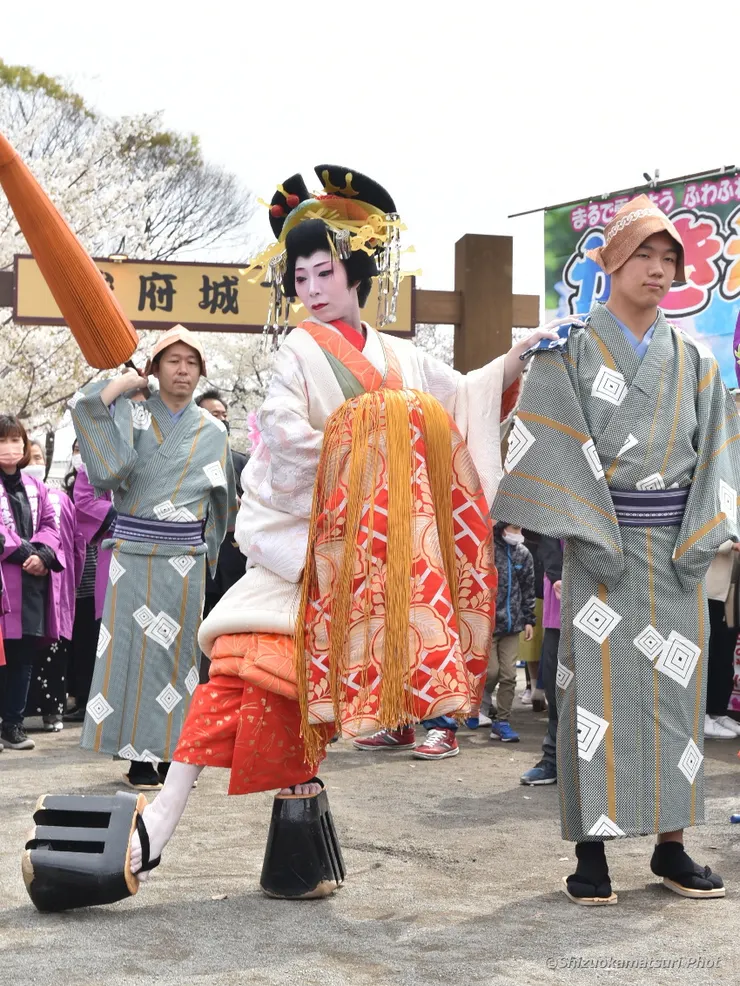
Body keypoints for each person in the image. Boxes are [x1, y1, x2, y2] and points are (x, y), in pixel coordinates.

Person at [125, 164, 560, 885]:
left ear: (355, 272)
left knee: (293, 698)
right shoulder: (299, 352)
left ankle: (295, 834)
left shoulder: (398, 356)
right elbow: (285, 441)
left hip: (377, 558)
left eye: (324, 271)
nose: (313, 288)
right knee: (246, 677)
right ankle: (162, 821)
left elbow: (465, 400)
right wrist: (371, 446)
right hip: (308, 548)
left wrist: (519, 354)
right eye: (300, 278)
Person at [493, 194, 740, 903]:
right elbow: (547, 446)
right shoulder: (567, 349)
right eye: (644, 256)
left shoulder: (692, 357)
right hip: (600, 546)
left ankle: (671, 846)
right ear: (609, 265)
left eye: (669, 259)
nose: (658, 270)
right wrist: (588, 530)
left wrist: (700, 538)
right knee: (591, 700)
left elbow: (719, 453)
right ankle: (591, 850)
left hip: (678, 551)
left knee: (674, 698)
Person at [69, 326, 236, 789]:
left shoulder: (213, 430)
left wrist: (211, 555)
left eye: (191, 363)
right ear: (156, 368)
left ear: (200, 371)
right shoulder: (134, 416)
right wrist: (123, 384)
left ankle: (172, 755)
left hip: (183, 557)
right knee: (128, 654)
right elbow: (105, 464)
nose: (182, 371)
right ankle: (138, 758)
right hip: (132, 554)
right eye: (172, 361)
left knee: (178, 660)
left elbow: (223, 503)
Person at [0, 416, 64, 751]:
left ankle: (13, 724)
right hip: (5, 580)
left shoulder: (35, 486)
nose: (9, 448)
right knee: (1, 655)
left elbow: (51, 524)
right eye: (2, 441)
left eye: (15, 440)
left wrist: (43, 555)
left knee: (24, 655)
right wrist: (26, 551)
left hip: (32, 583)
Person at [23, 440, 83, 731]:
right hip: (18, 577)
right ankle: (15, 711)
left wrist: (71, 578)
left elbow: (77, 545)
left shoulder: (58, 498)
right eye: (28, 456)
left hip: (57, 580)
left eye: (37, 456)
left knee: (54, 647)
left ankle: (52, 710)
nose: (33, 461)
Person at [194, 389, 248, 683]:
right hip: (199, 555)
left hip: (234, 558)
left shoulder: (243, 462)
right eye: (213, 415)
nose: (221, 421)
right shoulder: (185, 461)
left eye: (223, 416)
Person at [63, 440, 115, 723]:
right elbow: (84, 502)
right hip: (112, 555)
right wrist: (124, 517)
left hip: (164, 551)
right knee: (105, 639)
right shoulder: (93, 465)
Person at [486, 522, 536, 743]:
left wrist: (529, 620)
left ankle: (502, 721)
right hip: (487, 626)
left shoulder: (523, 554)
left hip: (512, 625)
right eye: (513, 528)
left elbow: (528, 587)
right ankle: (477, 704)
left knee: (509, 675)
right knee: (490, 672)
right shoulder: (487, 550)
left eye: (520, 528)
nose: (517, 534)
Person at [521, 536, 562, 785]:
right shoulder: (560, 495)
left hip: (610, 592)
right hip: (560, 597)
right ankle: (553, 760)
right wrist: (557, 574)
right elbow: (547, 532)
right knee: (558, 687)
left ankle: (602, 766)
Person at [704, 542, 740, 738]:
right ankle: (701, 716)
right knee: (708, 653)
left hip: (731, 591)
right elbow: (703, 537)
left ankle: (718, 712)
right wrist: (731, 544)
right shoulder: (710, 509)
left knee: (724, 653)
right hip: (711, 589)